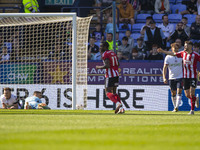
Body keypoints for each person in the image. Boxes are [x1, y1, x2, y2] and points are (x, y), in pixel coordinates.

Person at [158, 41, 200, 115]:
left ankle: (192, 111)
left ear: (191, 46)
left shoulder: (195, 55)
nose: (185, 47)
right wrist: (163, 51)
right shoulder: (182, 53)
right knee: (187, 95)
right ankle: (195, 99)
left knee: (192, 92)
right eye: (184, 45)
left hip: (193, 77)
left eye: (186, 45)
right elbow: (173, 54)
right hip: (185, 77)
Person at [96, 42, 124, 114]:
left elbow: (107, 65)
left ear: (105, 47)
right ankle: (121, 108)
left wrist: (98, 67)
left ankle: (118, 103)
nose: (100, 48)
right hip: (116, 74)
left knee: (107, 92)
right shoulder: (113, 53)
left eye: (101, 46)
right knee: (114, 92)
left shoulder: (105, 54)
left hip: (110, 75)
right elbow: (118, 63)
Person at [163, 43, 183, 112]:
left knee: (179, 91)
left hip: (180, 76)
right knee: (173, 93)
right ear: (172, 49)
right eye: (175, 49)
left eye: (177, 49)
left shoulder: (181, 55)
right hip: (171, 77)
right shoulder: (168, 57)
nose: (176, 50)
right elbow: (165, 68)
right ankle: (175, 107)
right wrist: (164, 77)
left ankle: (177, 107)